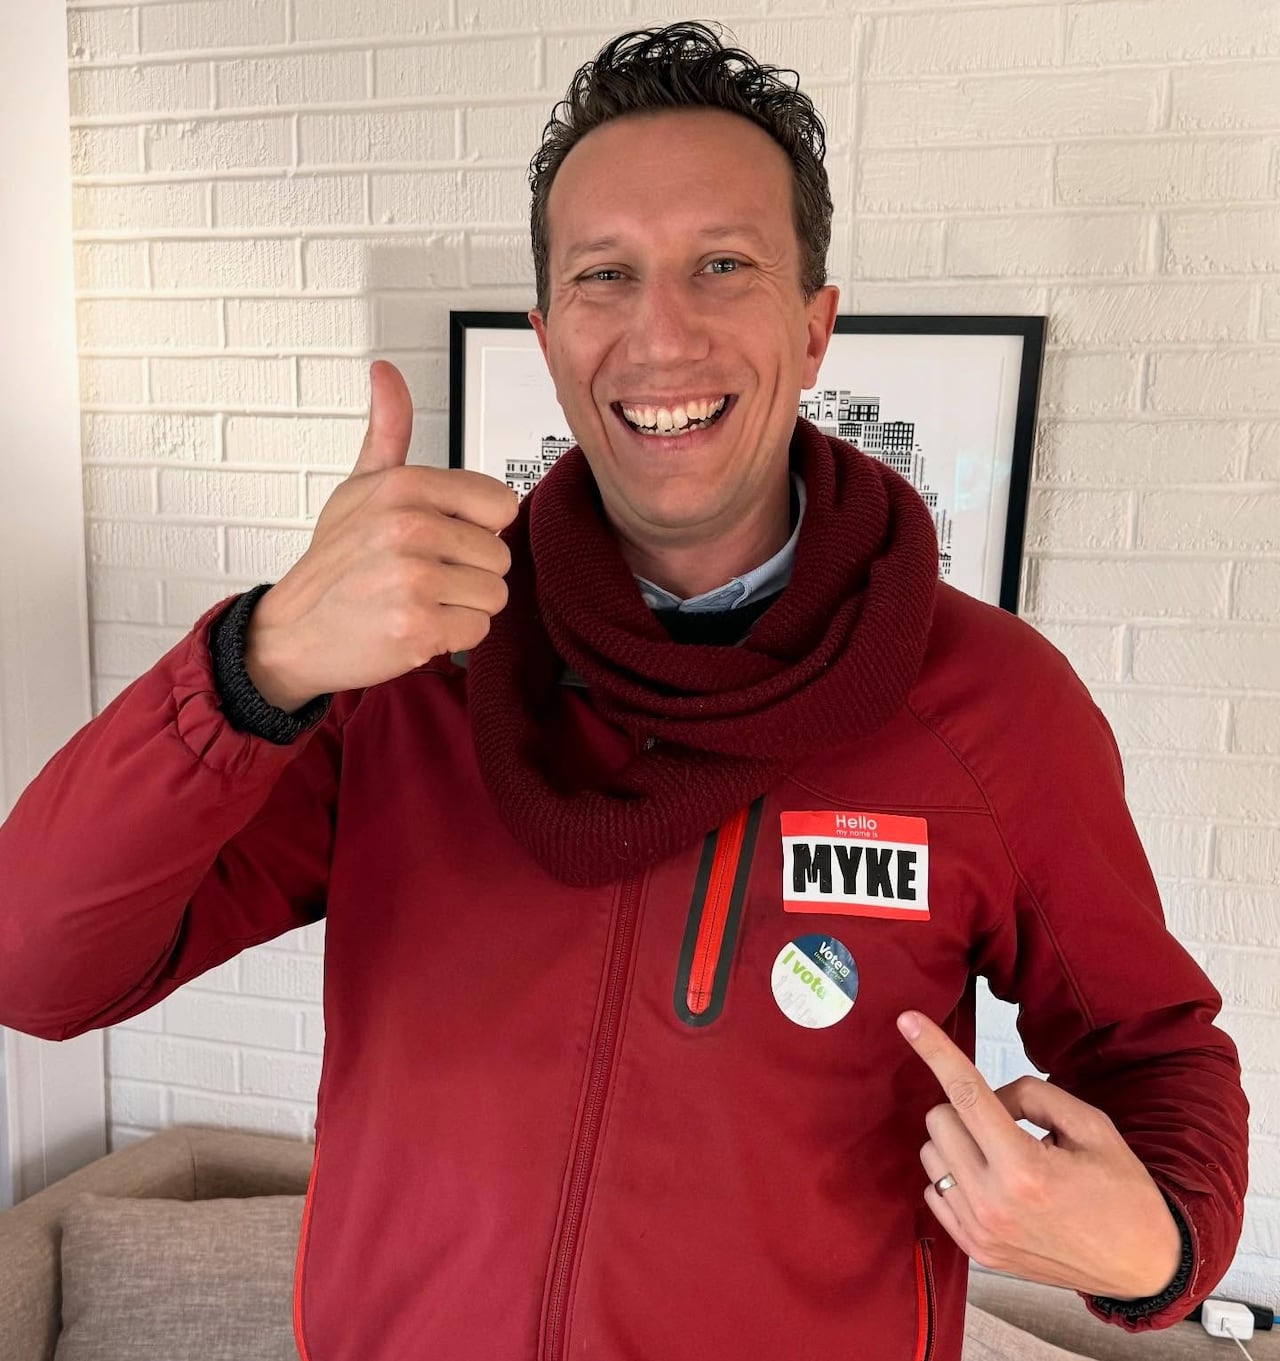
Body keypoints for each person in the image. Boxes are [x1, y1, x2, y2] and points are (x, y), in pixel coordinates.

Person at [0, 23, 1247, 1361]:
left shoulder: (992, 707)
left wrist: (1156, 1242)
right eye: (606, 274)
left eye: (725, 263)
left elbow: (1158, 1052)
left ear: (816, 321)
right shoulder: (408, 665)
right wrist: (259, 662)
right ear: (547, 333)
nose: (661, 332)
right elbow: (40, 962)